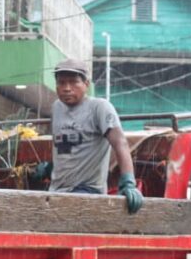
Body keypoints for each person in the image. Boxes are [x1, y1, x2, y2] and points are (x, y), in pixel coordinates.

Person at [42, 58, 144, 213]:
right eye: (61, 83)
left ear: (86, 84)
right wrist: (49, 168)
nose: (67, 88)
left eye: (73, 82)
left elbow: (120, 143)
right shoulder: (56, 108)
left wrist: (128, 182)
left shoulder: (99, 108)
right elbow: (64, 148)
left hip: (88, 192)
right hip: (55, 191)